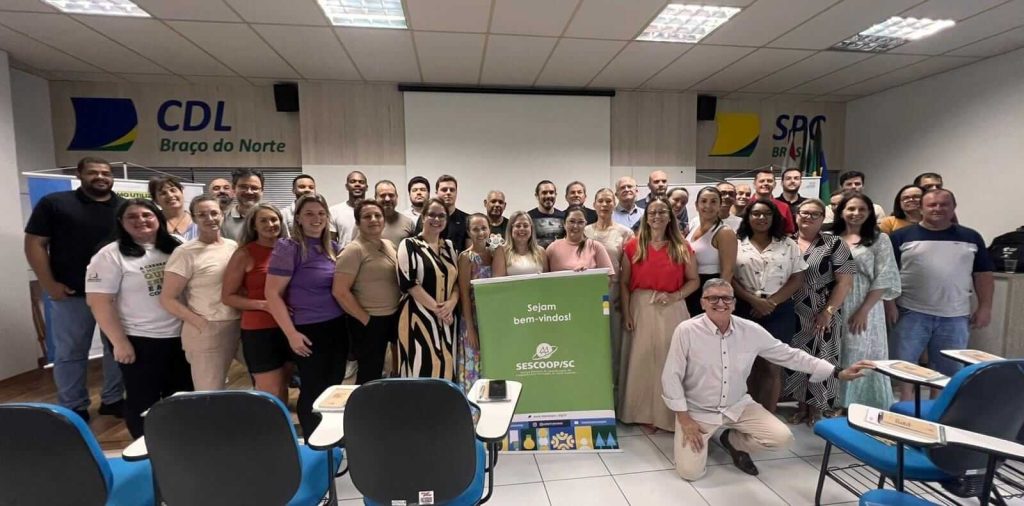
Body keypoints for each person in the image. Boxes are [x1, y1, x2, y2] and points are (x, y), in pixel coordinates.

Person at [662, 278, 875, 480]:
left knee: (782, 438)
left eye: (726, 298)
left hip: (737, 405)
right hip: (698, 410)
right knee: (690, 473)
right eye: (713, 298)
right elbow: (671, 376)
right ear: (702, 303)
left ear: (734, 303)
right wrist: (685, 420)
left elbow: (789, 355)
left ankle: (732, 440)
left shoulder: (750, 330)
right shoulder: (687, 331)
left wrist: (837, 372)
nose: (720, 303)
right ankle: (703, 439)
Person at [24, 156, 125, 420]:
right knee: (70, 352)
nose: (100, 177)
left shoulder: (124, 207)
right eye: (93, 172)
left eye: (106, 173)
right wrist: (48, 284)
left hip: (117, 295)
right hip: (71, 293)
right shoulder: (55, 203)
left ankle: (113, 399)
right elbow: (35, 243)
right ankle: (73, 406)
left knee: (118, 348)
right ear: (79, 175)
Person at [85, 199, 192, 437]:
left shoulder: (177, 244)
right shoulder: (109, 255)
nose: (141, 220)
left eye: (146, 215)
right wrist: (119, 342)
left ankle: (180, 445)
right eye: (132, 217)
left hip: (182, 336)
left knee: (182, 395)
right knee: (143, 401)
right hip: (141, 339)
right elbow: (98, 302)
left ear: (158, 218)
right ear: (121, 222)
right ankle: (146, 448)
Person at [889, 189, 993, 400]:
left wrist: (985, 307)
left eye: (944, 205)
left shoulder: (971, 237)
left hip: (955, 316)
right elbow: (888, 274)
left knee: (947, 371)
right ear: (921, 208)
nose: (938, 209)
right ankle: (905, 406)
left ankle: (936, 409)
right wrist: (889, 305)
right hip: (910, 312)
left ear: (953, 208)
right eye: (932, 205)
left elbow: (983, 274)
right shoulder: (900, 237)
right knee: (904, 367)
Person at [264, 194, 347, 436]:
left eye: (321, 214)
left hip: (337, 327)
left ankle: (331, 437)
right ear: (298, 218)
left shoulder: (333, 248)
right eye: (309, 213)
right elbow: (272, 294)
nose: (316, 218)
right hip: (308, 330)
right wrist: (291, 334)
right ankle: (313, 439)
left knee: (334, 386)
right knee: (313, 388)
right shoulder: (289, 248)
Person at [620, 197, 700, 432]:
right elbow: (624, 283)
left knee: (669, 361)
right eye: (652, 212)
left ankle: (667, 416)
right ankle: (641, 413)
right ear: (646, 217)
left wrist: (676, 296)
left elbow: (694, 280)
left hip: (672, 306)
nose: (657, 216)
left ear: (669, 217)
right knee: (641, 360)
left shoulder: (682, 247)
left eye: (662, 212)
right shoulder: (633, 246)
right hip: (640, 306)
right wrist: (627, 312)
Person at [732, 199, 806, 413]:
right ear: (748, 217)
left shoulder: (788, 244)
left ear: (774, 217)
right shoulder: (736, 243)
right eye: (756, 213)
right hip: (744, 309)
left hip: (779, 310)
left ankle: (768, 416)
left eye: (766, 213)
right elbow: (729, 277)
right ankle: (746, 416)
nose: (761, 217)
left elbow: (797, 278)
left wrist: (771, 302)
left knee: (772, 367)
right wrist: (754, 301)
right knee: (746, 366)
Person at [160, 195, 241, 391]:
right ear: (194, 218)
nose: (210, 218)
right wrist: (200, 323)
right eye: (202, 215)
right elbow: (168, 298)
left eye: (214, 213)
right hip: (208, 328)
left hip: (239, 323)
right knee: (210, 390)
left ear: (222, 215)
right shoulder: (185, 253)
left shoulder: (233, 246)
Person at [785, 199, 855, 425]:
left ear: (823, 218)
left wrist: (828, 311)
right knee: (797, 358)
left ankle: (817, 409)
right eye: (804, 212)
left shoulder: (835, 243)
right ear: (796, 215)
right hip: (792, 308)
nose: (808, 217)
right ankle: (801, 407)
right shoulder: (786, 241)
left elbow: (845, 282)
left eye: (814, 214)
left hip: (822, 307)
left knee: (822, 358)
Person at [832, 193, 900, 410]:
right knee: (836, 351)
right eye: (851, 209)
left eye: (862, 209)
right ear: (841, 212)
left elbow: (884, 277)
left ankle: (861, 403)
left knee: (860, 351)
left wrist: (863, 310)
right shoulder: (831, 238)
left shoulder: (880, 240)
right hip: (834, 301)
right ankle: (835, 401)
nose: (856, 213)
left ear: (870, 212)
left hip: (865, 302)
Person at [221, 203, 290, 403]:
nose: (270, 224)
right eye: (263, 220)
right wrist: (264, 305)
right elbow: (228, 296)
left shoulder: (289, 249)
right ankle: (269, 423)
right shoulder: (245, 254)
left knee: (284, 385)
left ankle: (283, 422)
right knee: (270, 391)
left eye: (274, 219)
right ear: (253, 225)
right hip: (261, 330)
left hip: (289, 327)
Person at [334, 200, 401, 384]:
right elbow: (340, 291)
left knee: (395, 368)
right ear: (358, 222)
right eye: (367, 216)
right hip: (369, 321)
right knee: (370, 373)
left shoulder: (389, 245)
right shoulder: (353, 250)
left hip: (393, 317)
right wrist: (366, 320)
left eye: (378, 215)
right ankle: (366, 402)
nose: (373, 219)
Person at [398, 197, 460, 379]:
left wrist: (451, 303)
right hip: (418, 317)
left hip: (447, 317)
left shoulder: (449, 247)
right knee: (421, 366)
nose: (436, 219)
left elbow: (456, 281)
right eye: (432, 214)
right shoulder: (409, 245)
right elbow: (409, 283)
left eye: (441, 216)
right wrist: (439, 310)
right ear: (423, 216)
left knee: (446, 366)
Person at [585, 189, 634, 405]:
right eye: (601, 201)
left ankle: (613, 399)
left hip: (613, 293)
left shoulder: (625, 233)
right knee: (590, 344)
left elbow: (628, 272)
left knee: (613, 345)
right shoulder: (585, 231)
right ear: (594, 204)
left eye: (608, 201)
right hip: (587, 296)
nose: (604, 205)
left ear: (614, 204)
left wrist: (623, 299)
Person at [684, 187, 737, 317]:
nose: (708, 206)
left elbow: (728, 271)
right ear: (696, 205)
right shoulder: (694, 227)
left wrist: (718, 299)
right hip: (691, 286)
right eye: (703, 201)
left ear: (720, 205)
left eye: (713, 202)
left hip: (711, 288)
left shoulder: (724, 232)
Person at [456, 214, 493, 392]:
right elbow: (464, 294)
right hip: (472, 317)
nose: (480, 233)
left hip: (490, 318)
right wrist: (470, 328)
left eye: (484, 228)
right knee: (474, 363)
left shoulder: (495, 254)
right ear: (469, 232)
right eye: (475, 229)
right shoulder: (466, 257)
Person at [546, 205, 614, 273]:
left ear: (585, 224)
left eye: (580, 222)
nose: (575, 226)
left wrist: (587, 274)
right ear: (564, 224)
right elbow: (543, 277)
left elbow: (609, 275)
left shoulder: (596, 247)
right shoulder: (552, 249)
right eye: (572, 221)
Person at [415, 175, 469, 253]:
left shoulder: (467, 219)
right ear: (436, 193)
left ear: (456, 193)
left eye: (452, 190)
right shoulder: (426, 218)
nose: (448, 192)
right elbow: (417, 243)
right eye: (444, 190)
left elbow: (469, 252)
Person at [493, 210, 548, 276]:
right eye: (518, 226)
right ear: (511, 229)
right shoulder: (501, 251)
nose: (522, 229)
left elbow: (547, 279)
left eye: (526, 226)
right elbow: (498, 280)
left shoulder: (541, 251)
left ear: (531, 229)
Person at [221, 168, 264, 241]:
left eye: (254, 188)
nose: (249, 192)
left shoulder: (273, 218)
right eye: (243, 187)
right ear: (234, 188)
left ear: (262, 191)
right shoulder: (222, 220)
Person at [751, 169, 796, 235]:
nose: (766, 183)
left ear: (774, 184)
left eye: (769, 181)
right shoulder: (745, 205)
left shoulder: (784, 207)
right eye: (762, 181)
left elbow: (788, 232)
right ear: (754, 184)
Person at [149, 176, 195, 240]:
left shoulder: (198, 221)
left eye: (173, 190)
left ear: (181, 192)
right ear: (156, 200)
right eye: (163, 193)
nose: (170, 195)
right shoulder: (152, 224)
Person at [329, 170, 367, 247]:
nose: (357, 184)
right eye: (353, 181)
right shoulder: (334, 211)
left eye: (361, 182)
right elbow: (331, 243)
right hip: (344, 254)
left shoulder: (374, 211)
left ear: (366, 187)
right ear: (347, 186)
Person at [375, 180, 415, 248]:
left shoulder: (408, 223)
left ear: (396, 197)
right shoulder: (366, 222)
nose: (387, 199)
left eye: (391, 195)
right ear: (375, 198)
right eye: (382, 195)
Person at [528, 180, 566, 248]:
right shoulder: (528, 217)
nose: (548, 196)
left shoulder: (564, 217)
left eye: (551, 192)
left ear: (555, 195)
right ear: (537, 196)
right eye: (544, 193)